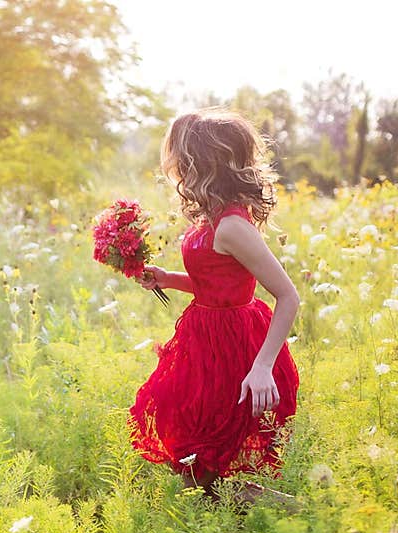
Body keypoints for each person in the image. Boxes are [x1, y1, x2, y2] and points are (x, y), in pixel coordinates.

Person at [128, 106, 300, 509]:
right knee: (193, 460)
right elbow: (217, 286)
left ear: (201, 163)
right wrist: (169, 278)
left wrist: (261, 368)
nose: (177, 169)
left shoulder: (232, 226)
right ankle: (252, 522)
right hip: (203, 344)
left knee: (205, 466)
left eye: (182, 160)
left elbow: (288, 296)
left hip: (235, 351)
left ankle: (295, 513)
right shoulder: (211, 219)